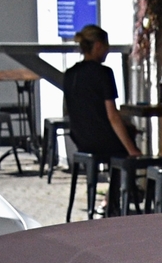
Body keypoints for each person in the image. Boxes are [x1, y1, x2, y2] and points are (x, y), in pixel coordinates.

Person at [60, 23, 139, 215]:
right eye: (106, 45)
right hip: (102, 139)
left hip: (80, 138)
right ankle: (115, 199)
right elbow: (112, 115)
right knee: (127, 138)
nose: (108, 50)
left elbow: (68, 108)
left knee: (125, 135)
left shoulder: (70, 74)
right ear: (97, 46)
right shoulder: (104, 73)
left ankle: (109, 200)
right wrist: (132, 149)